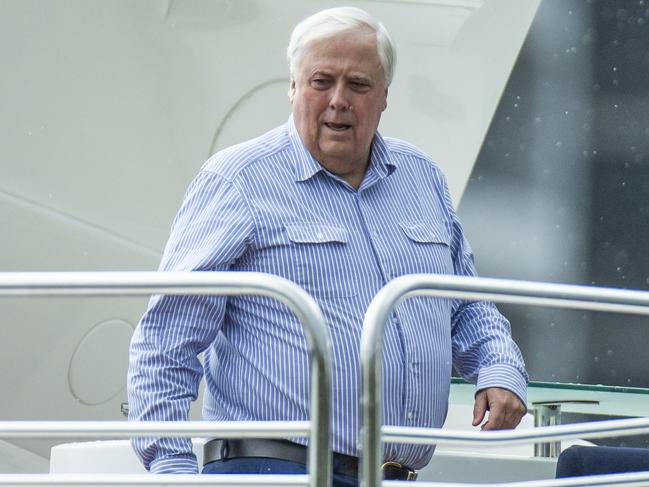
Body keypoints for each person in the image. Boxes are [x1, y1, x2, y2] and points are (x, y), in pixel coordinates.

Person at [127, 6, 529, 485]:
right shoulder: (238, 180)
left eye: (358, 85)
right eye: (322, 81)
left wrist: (500, 368)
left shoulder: (422, 177)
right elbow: (166, 339)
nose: (338, 100)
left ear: (384, 98)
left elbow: (464, 305)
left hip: (394, 476)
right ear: (293, 87)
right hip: (273, 470)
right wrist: (171, 468)